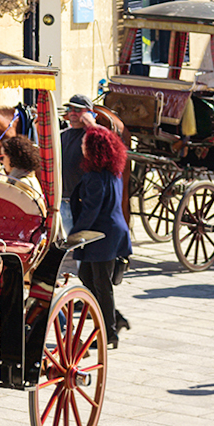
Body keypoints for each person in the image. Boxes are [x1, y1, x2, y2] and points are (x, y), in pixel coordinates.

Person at [70, 125, 132, 346]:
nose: (82, 147)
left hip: (103, 237)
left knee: (101, 285)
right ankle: (115, 320)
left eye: (85, 144)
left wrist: (72, 236)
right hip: (108, 234)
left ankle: (109, 333)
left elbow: (90, 211)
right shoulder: (111, 172)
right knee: (88, 279)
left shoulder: (97, 178)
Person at [0, 134, 45, 208]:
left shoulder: (21, 183)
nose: (1, 161)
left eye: (2, 157)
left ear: (12, 157)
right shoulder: (29, 177)